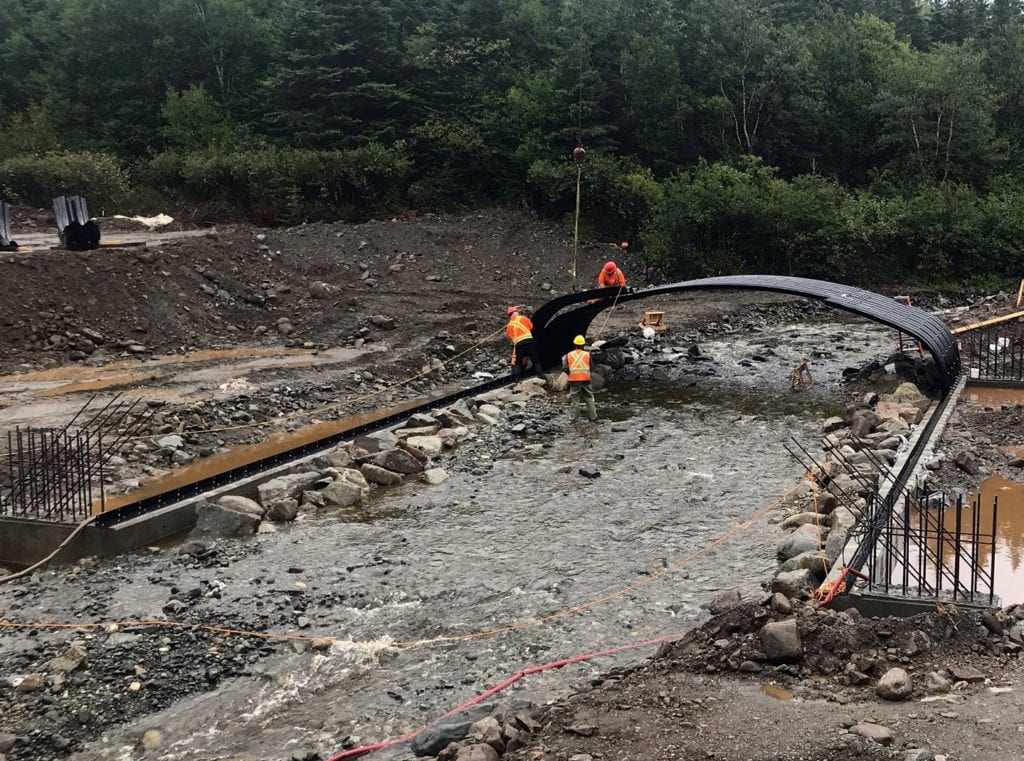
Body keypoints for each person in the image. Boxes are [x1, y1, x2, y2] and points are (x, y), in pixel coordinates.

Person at [562, 335, 597, 422]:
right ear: (583, 345)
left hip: (574, 381)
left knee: (575, 400)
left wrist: (571, 374)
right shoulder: (587, 354)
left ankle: (574, 419)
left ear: (574, 345)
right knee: (589, 399)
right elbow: (592, 368)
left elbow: (565, 368)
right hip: (586, 380)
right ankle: (593, 417)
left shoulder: (569, 355)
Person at [505, 306, 541, 378]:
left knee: (518, 361)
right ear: (516, 312)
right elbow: (531, 326)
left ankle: (516, 379)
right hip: (528, 341)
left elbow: (510, 336)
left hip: (518, 344)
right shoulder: (523, 318)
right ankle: (540, 374)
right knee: (535, 358)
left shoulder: (509, 325)